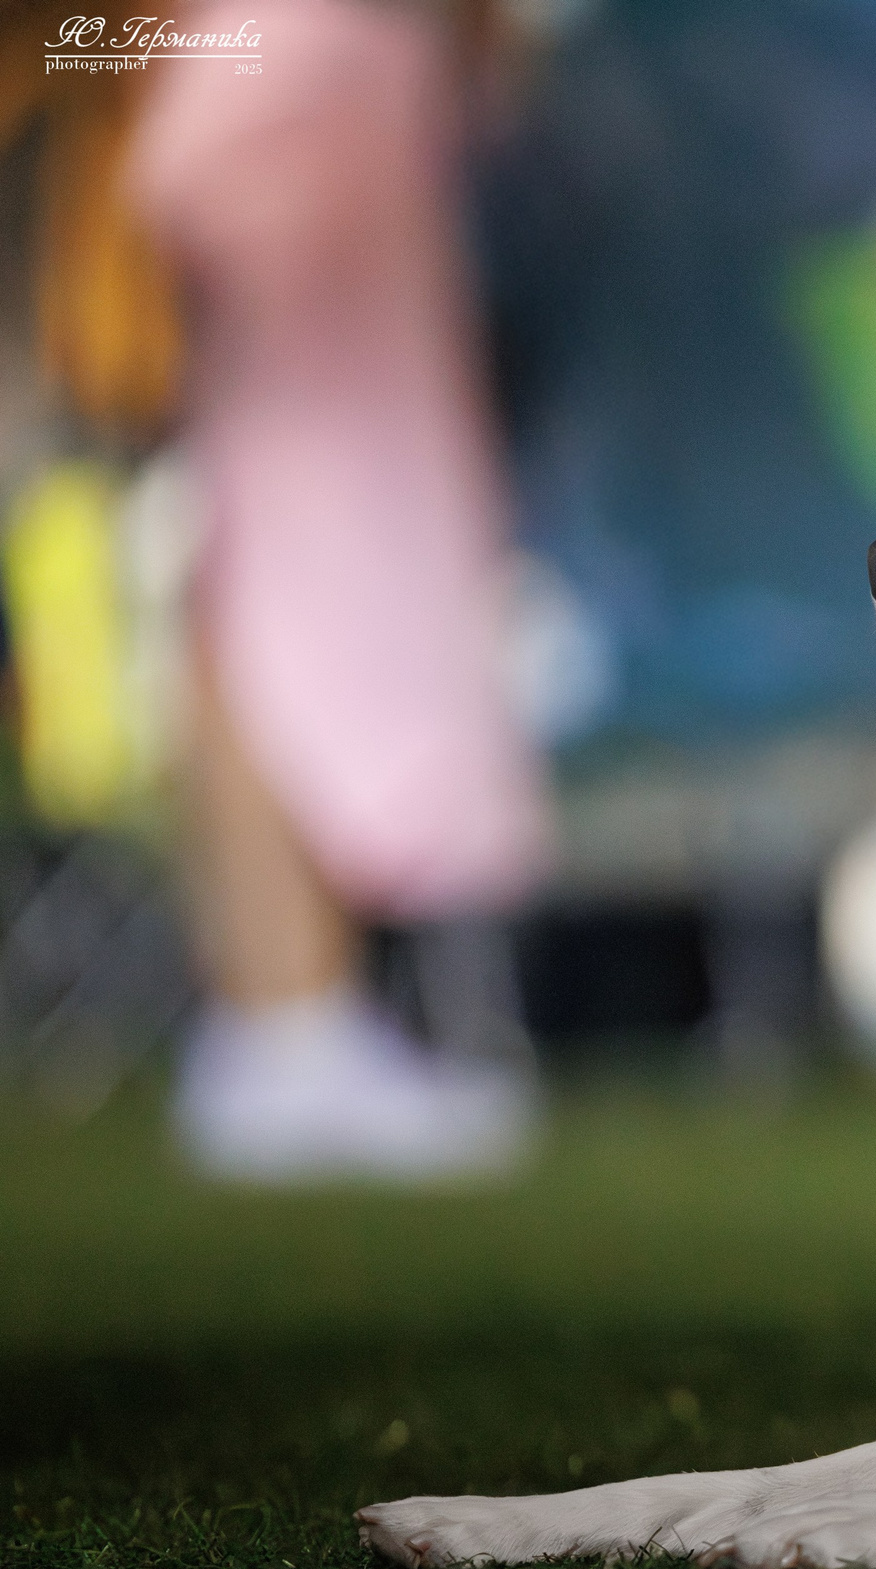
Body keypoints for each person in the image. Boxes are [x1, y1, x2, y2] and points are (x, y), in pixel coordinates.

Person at [110, 0, 551, 1180]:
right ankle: (282, 1026)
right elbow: (84, 36)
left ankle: (294, 1018)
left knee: (311, 568)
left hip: (321, 92)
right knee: (282, 570)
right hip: (278, 89)